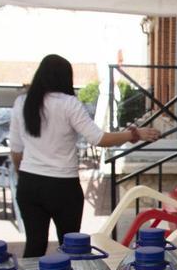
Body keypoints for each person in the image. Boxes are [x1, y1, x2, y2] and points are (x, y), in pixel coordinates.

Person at [10, 54, 160, 258]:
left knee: (35, 246)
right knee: (71, 248)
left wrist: (24, 177)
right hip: (62, 186)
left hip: (29, 184)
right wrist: (134, 134)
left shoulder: (22, 103)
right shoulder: (69, 104)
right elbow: (98, 138)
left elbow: (16, 151)